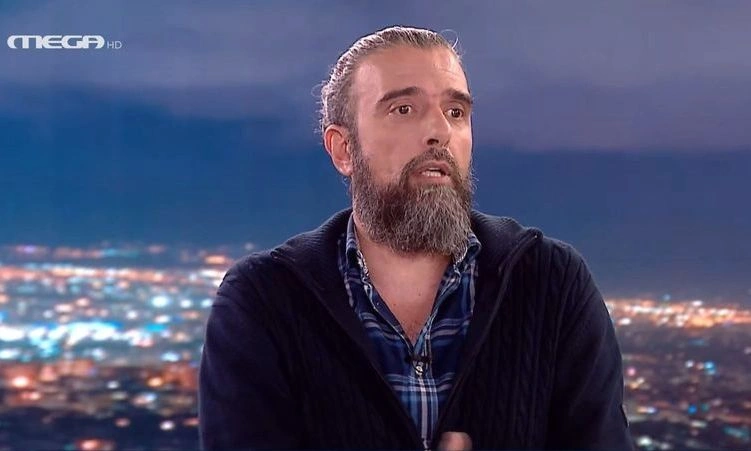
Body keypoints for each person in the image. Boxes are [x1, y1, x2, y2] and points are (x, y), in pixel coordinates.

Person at [198, 25, 635, 451]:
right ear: (343, 149)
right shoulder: (263, 300)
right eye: (404, 109)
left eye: (456, 112)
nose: (440, 132)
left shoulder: (552, 283)